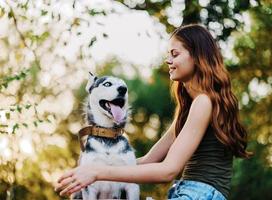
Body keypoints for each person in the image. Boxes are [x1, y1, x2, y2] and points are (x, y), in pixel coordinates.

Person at [54, 23, 252, 200]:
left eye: (175, 54)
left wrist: (98, 172)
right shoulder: (192, 107)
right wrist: (90, 170)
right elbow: (149, 160)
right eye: (168, 54)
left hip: (199, 194)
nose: (168, 60)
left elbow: (167, 170)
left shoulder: (203, 102)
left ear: (198, 57)